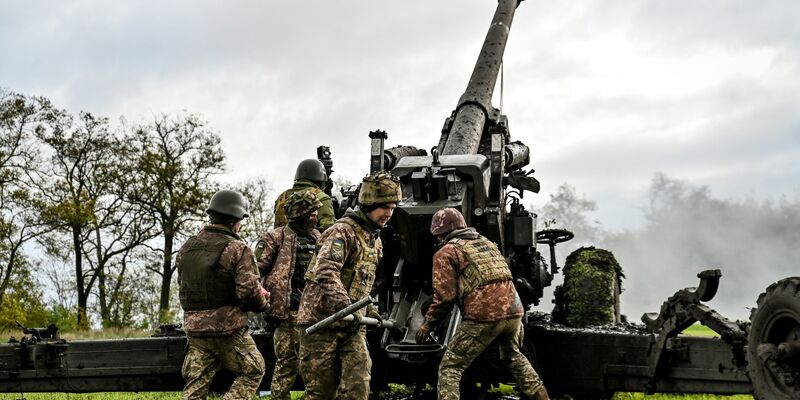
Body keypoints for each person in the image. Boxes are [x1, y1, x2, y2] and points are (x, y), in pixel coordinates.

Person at [416, 208, 550, 400]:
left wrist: (428, 324)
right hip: (513, 311)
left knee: (450, 367)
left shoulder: (446, 252)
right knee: (513, 357)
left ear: (440, 233)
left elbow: (445, 297)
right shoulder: (486, 243)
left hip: (483, 316)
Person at [296, 171, 402, 400]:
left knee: (358, 385)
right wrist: (346, 306)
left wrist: (368, 311)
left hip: (352, 326)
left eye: (393, 208)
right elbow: (325, 271)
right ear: (369, 204)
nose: (388, 214)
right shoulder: (342, 231)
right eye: (384, 207)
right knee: (321, 392)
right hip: (321, 322)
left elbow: (363, 281)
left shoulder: (375, 239)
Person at [177, 189, 270, 400]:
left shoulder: (186, 248)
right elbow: (248, 291)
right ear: (233, 221)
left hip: (195, 330)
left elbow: (184, 284)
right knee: (254, 369)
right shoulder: (238, 249)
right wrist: (263, 301)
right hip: (228, 330)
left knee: (197, 383)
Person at [255, 190, 323, 400]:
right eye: (312, 213)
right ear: (300, 214)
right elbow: (253, 271)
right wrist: (262, 299)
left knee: (315, 364)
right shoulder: (274, 238)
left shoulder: (318, 237)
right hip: (286, 313)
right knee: (286, 364)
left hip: (313, 313)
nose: (315, 217)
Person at [273, 159, 336, 231]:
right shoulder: (321, 197)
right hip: (310, 242)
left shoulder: (282, 197)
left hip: (279, 241)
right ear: (322, 178)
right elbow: (329, 231)